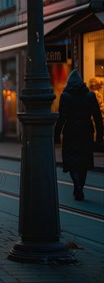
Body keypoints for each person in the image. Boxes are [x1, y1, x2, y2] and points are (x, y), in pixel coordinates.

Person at [55, 69, 103, 201]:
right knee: (84, 161)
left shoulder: (65, 96)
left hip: (70, 131)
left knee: (71, 161)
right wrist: (99, 137)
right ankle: (81, 185)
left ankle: (77, 184)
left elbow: (62, 117)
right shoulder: (90, 95)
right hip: (87, 131)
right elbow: (97, 117)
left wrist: (56, 135)